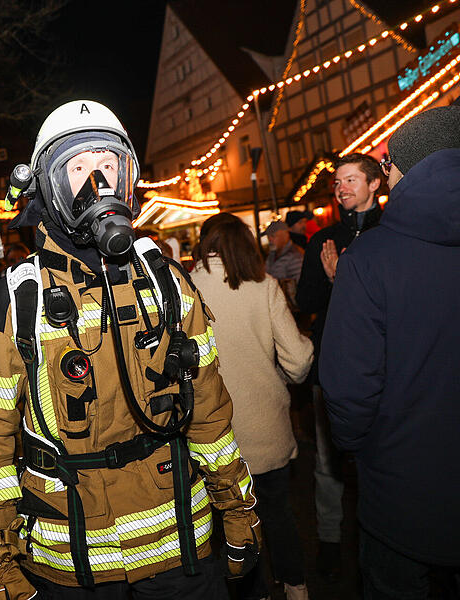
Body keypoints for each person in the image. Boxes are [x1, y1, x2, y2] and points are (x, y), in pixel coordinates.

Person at [0, 100, 260, 599]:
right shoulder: (14, 303)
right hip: (74, 554)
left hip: (178, 541)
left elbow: (207, 404)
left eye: (107, 165)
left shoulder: (166, 282)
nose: (98, 182)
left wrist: (237, 506)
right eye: (78, 168)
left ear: (127, 175)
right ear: (49, 187)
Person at [320, 106, 460, 599]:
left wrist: (358, 448)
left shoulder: (369, 258)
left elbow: (348, 388)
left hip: (401, 488)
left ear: (405, 168)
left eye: (388, 165)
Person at [192, 213, 313, 600]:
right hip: (266, 428)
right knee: (278, 514)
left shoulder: (186, 288)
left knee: (230, 525)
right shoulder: (265, 286)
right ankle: (296, 589)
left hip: (214, 436)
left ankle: (253, 593)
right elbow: (298, 359)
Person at [294, 152, 383, 581]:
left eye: (350, 180)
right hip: (331, 363)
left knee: (381, 456)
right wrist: (330, 282)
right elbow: (306, 301)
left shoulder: (389, 233)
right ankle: (329, 540)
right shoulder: (323, 241)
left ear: (374, 184)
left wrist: (342, 280)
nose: (341, 188)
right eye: (337, 183)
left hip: (384, 365)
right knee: (327, 461)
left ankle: (380, 538)